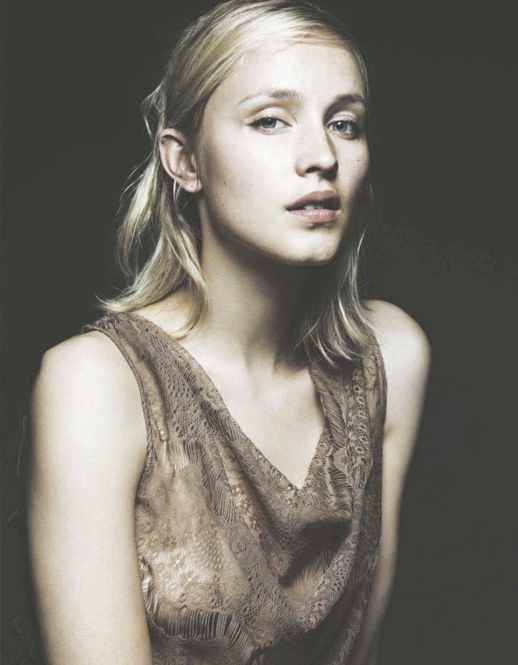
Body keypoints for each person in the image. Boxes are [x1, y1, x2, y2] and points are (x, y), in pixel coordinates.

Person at [23, 1, 430, 663]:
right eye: (270, 120)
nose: (321, 157)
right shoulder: (97, 384)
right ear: (185, 161)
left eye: (344, 123)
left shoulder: (392, 356)